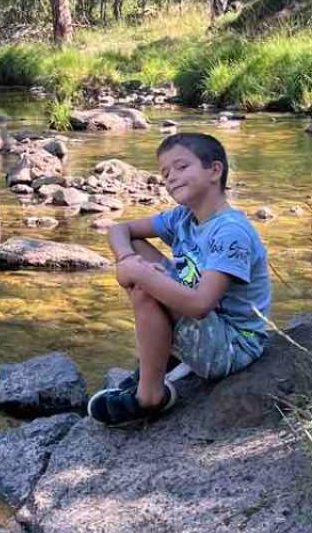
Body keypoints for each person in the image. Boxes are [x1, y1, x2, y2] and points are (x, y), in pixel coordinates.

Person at [87, 131, 270, 427]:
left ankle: (148, 397)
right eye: (165, 173)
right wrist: (126, 259)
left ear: (214, 170)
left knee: (145, 288)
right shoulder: (182, 217)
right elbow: (119, 230)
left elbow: (199, 305)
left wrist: (141, 275)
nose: (171, 177)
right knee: (137, 255)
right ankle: (168, 356)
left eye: (182, 167)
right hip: (207, 323)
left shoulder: (230, 232)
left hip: (233, 346)